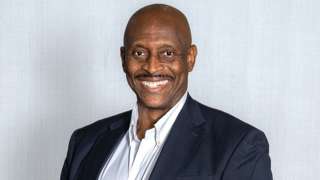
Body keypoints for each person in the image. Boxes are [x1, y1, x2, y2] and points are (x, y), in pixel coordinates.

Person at [61, 4, 273, 180]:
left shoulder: (237, 145)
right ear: (124, 58)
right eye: (139, 52)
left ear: (190, 58)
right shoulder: (85, 143)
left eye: (167, 53)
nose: (152, 67)